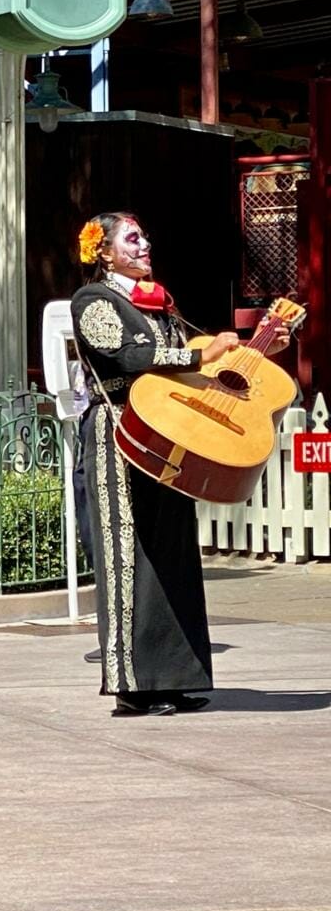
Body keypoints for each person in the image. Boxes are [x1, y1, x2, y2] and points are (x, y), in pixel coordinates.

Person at [70, 212, 288, 717]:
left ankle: (171, 678)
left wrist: (257, 351)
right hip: (120, 432)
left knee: (172, 555)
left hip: (172, 432)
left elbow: (193, 362)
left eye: (145, 236)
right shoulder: (94, 301)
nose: (145, 244)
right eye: (131, 239)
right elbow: (128, 355)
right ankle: (132, 686)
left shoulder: (158, 301)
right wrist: (201, 354)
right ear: (103, 252)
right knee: (128, 554)